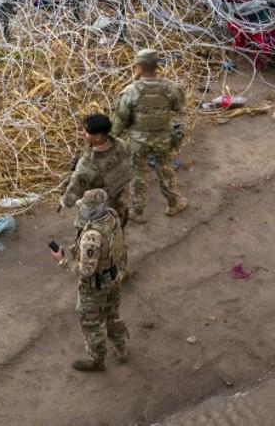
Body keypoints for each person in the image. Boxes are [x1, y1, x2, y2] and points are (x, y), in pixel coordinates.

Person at [51, 188, 129, 372]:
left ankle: (97, 360)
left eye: (85, 208)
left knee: (91, 323)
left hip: (95, 286)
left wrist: (62, 261)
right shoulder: (112, 216)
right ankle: (121, 347)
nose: (82, 210)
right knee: (113, 314)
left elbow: (86, 271)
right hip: (114, 276)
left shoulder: (91, 237)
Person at [112, 48, 187, 221]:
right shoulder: (169, 87)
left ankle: (138, 212)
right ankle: (174, 204)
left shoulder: (130, 91)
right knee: (165, 169)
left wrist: (112, 139)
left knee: (138, 174)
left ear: (138, 67)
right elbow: (178, 107)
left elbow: (120, 120)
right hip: (163, 137)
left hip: (138, 140)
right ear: (156, 66)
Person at [61, 113, 132, 222]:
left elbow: (74, 191)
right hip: (122, 197)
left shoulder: (87, 164)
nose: (82, 133)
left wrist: (65, 201)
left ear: (98, 137)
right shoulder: (120, 143)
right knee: (118, 227)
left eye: (86, 132)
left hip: (101, 206)